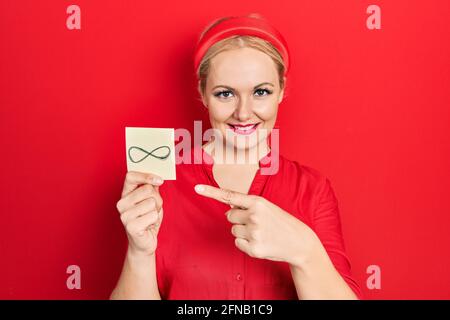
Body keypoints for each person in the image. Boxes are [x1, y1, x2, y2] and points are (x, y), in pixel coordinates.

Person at [110, 14, 362, 300]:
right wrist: (139, 252)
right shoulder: (159, 182)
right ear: (203, 94)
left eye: (261, 92)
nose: (243, 113)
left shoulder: (312, 190)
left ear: (281, 90)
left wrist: (304, 250)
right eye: (225, 94)